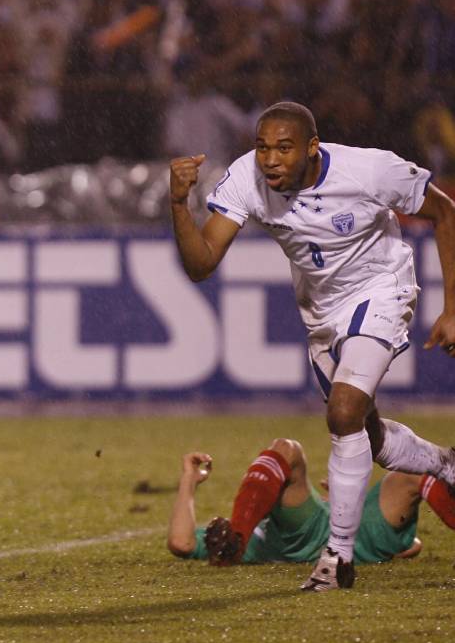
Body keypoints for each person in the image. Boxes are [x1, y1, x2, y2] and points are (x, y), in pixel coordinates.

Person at [169, 100, 455, 592]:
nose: (271, 160)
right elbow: (202, 263)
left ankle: (337, 557)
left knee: (343, 411)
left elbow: (445, 212)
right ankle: (444, 464)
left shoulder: (369, 170)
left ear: (312, 148)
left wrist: (453, 308)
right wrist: (178, 204)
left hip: (382, 290)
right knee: (367, 433)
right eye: (262, 147)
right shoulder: (247, 180)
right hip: (322, 317)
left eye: (284, 148)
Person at [166, 440, 455, 566]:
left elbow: (182, 543)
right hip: (354, 537)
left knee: (286, 451)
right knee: (416, 469)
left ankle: (239, 534)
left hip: (309, 537)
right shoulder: (257, 537)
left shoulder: (245, 541)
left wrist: (188, 480)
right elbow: (409, 546)